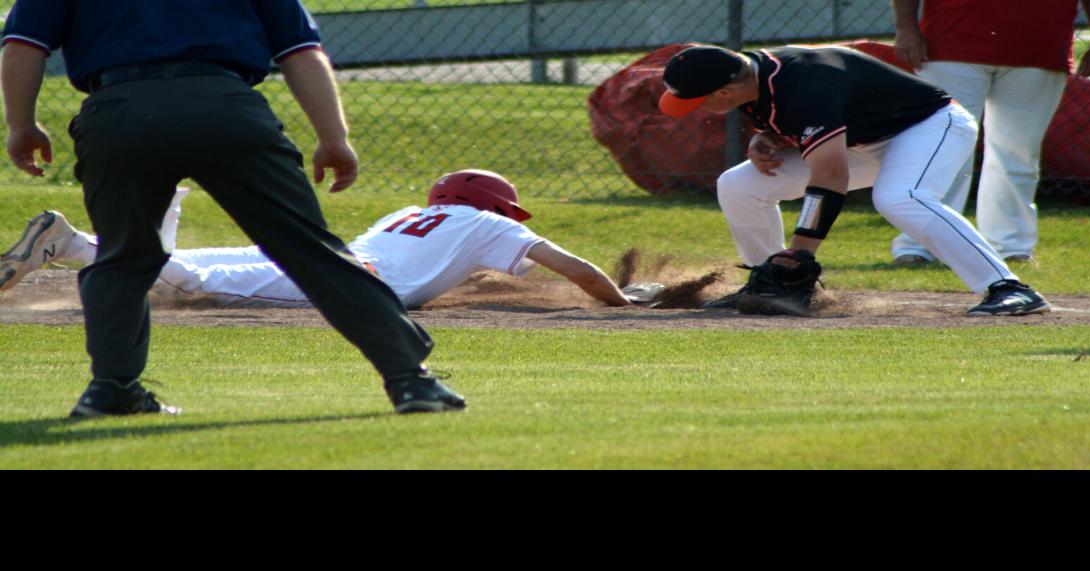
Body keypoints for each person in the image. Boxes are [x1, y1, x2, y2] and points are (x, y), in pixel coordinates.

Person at [1, 0, 463, 416]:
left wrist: (21, 125)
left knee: (125, 257)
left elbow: (24, 45)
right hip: (224, 106)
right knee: (310, 249)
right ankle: (409, 381)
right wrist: (333, 138)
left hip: (119, 112)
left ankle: (111, 388)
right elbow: (301, 51)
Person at [658, 43, 1049, 317]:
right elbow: (803, 127)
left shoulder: (805, 83)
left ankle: (1008, 287)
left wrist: (800, 252)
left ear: (725, 90)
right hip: (867, 139)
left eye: (700, 100)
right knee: (739, 185)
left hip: (929, 127)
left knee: (900, 196)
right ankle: (769, 287)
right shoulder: (757, 78)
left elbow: (830, 174)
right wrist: (765, 138)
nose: (699, 109)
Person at [3, 172, 663, 311]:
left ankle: (143, 211)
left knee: (188, 266)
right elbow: (574, 266)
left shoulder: (412, 213)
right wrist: (619, 301)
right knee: (196, 284)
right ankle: (69, 245)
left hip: (326, 252)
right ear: (494, 207)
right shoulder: (494, 225)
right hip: (353, 275)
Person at [889, 0, 1090, 267]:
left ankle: (1010, 247)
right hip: (949, 44)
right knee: (942, 148)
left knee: (1017, 153)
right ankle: (921, 244)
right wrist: (906, 28)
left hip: (1038, 49)